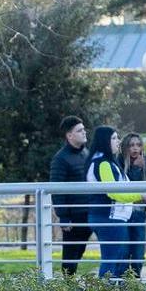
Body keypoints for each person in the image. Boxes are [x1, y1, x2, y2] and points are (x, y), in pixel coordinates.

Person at [85, 127, 146, 278]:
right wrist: (140, 196)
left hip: (113, 218)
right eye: (114, 138)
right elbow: (114, 192)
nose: (118, 141)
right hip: (109, 218)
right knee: (111, 261)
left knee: (115, 260)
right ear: (105, 141)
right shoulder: (103, 163)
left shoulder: (108, 162)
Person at [49, 116, 91, 275]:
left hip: (89, 211)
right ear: (69, 135)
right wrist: (64, 216)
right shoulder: (60, 159)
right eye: (79, 130)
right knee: (71, 253)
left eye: (84, 129)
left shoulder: (86, 153)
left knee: (80, 250)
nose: (84, 132)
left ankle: (70, 285)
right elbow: (57, 189)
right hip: (73, 215)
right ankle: (67, 287)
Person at [121, 133, 146, 276]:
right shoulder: (118, 163)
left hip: (140, 213)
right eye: (131, 145)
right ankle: (122, 285)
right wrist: (136, 169)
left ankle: (134, 284)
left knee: (138, 254)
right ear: (125, 147)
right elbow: (127, 188)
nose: (135, 148)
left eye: (138, 145)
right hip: (123, 214)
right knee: (123, 251)